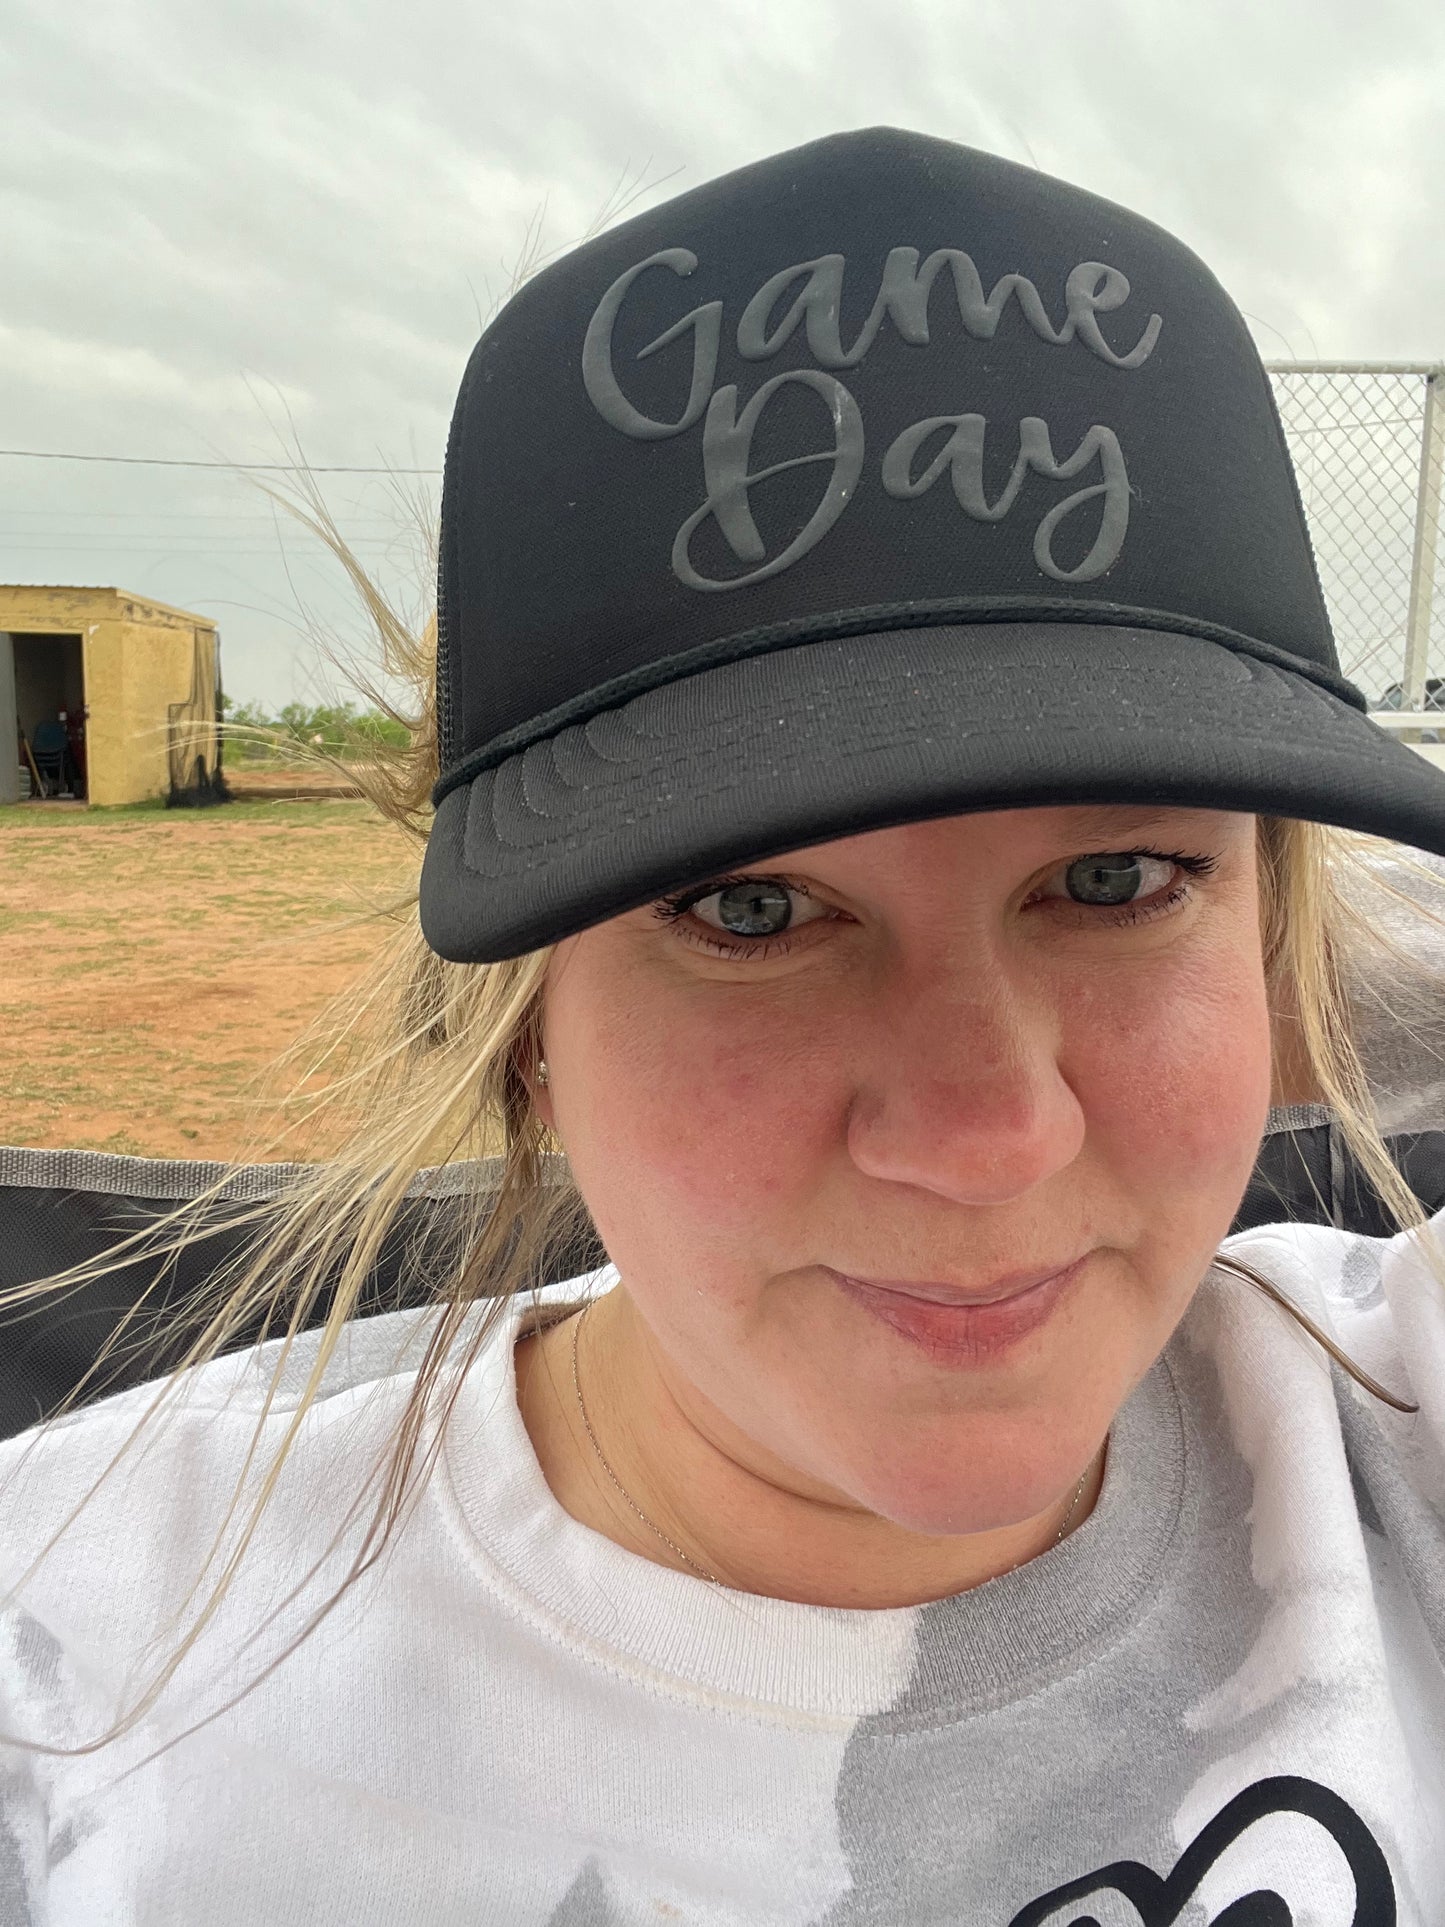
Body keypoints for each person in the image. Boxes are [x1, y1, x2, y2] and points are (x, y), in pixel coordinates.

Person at [3, 124, 1445, 1924]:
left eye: (1116, 882)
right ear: (525, 1024)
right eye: (750, 909)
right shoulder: (84, 1672)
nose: (988, 1135)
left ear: (1270, 926)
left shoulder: (1401, 1425)